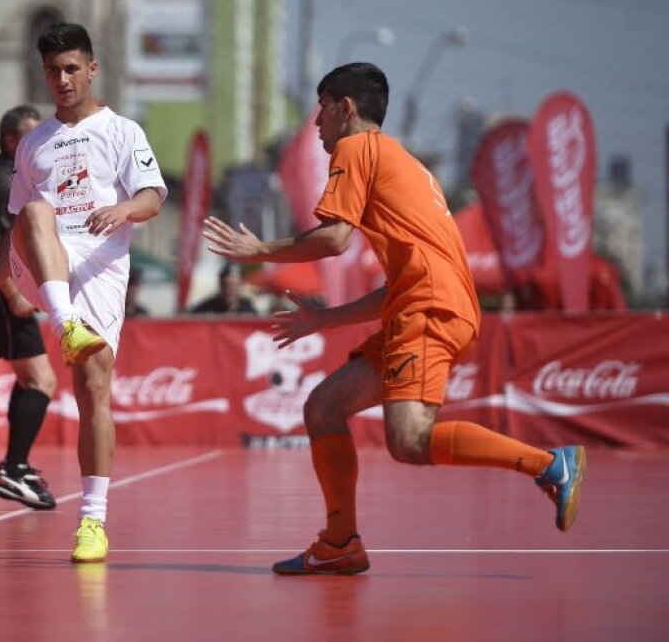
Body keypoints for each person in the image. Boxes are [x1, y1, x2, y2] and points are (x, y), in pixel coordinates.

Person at [203, 63, 585, 576]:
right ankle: (340, 543)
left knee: (410, 440)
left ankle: (548, 464)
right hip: (426, 304)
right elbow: (397, 285)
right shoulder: (401, 161)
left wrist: (261, 250)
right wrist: (325, 319)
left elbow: (335, 240)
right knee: (324, 408)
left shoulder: (354, 148)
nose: (316, 123)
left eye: (321, 109)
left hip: (429, 310)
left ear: (346, 108)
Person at [0, 23, 167, 563]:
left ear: (91, 70)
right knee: (33, 209)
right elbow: (19, 230)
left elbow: (151, 198)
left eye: (72, 68)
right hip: (49, 262)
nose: (63, 78)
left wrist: (123, 209)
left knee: (94, 388)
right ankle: (63, 321)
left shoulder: (122, 131)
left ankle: (92, 522)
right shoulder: (32, 144)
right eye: (53, 70)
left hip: (101, 267)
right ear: (43, 75)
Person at [0, 104, 59, 510]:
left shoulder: (17, 179)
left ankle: (15, 466)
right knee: (41, 381)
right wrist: (13, 294)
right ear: (9, 141)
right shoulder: (2, 182)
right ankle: (13, 468)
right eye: (30, 137)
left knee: (31, 380)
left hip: (3, 292)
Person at [189, 262, 257, 315]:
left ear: (240, 285)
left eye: (233, 285)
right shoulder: (207, 308)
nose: (229, 290)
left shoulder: (247, 309)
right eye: (226, 285)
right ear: (221, 285)